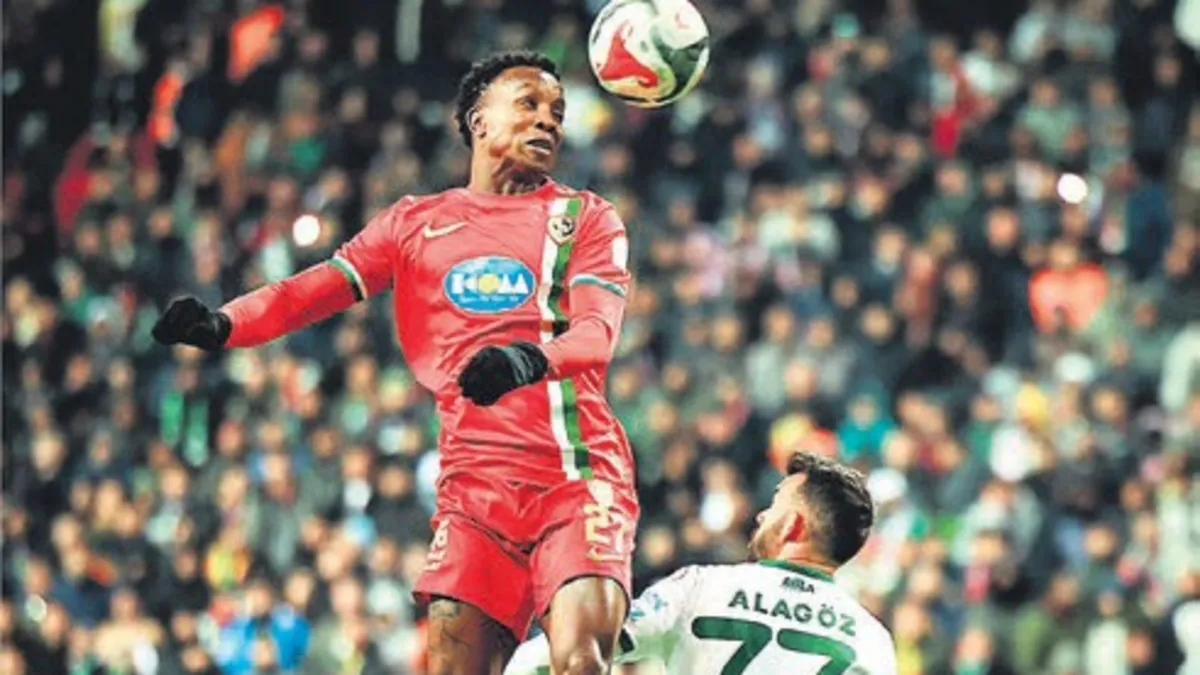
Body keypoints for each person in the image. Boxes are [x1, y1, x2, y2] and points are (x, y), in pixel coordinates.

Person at [152, 51, 637, 675]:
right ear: (478, 120)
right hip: (474, 493)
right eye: (528, 104)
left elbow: (597, 335)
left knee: (581, 662)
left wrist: (527, 360)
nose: (548, 120)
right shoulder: (415, 223)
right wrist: (225, 325)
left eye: (557, 112)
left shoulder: (585, 217)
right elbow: (314, 290)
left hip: (576, 477)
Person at [505, 452, 897, 675]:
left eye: (775, 504)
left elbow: (573, 648)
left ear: (792, 525)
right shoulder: (872, 641)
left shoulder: (702, 588)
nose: (762, 515)